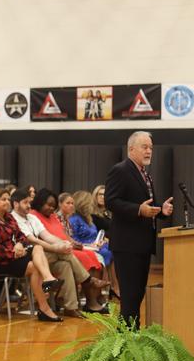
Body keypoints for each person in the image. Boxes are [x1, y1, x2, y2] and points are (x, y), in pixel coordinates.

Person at [105, 131, 173, 327]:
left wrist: (161, 211)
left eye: (151, 147)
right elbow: (111, 201)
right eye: (144, 147)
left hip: (142, 244)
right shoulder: (121, 170)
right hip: (127, 244)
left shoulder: (145, 174)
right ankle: (128, 341)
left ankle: (128, 336)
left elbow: (147, 206)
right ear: (131, 148)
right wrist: (138, 210)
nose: (149, 151)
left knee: (137, 293)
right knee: (130, 295)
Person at [10, 189, 109, 317]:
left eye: (29, 202)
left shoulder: (31, 217)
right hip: (28, 257)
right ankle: (88, 280)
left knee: (65, 266)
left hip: (44, 257)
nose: (29, 205)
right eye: (25, 202)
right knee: (64, 253)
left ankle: (71, 307)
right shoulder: (13, 218)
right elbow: (33, 240)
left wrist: (62, 243)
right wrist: (58, 248)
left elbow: (46, 236)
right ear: (16, 204)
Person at [0, 189, 64, 321]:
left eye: (8, 199)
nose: (7, 202)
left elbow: (21, 237)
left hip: (12, 258)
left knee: (38, 249)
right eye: (3, 199)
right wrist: (13, 252)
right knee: (35, 265)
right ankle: (45, 306)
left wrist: (19, 245)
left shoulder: (8, 217)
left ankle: (47, 284)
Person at [31, 189, 102, 274]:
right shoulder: (34, 215)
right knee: (85, 256)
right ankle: (88, 282)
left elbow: (64, 234)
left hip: (66, 245)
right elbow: (46, 237)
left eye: (53, 206)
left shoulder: (53, 216)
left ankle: (93, 284)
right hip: (52, 249)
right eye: (68, 203)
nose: (52, 208)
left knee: (91, 255)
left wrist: (72, 243)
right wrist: (68, 244)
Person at [70, 190, 113, 267]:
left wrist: (101, 241)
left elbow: (95, 235)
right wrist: (89, 245)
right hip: (85, 247)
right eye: (89, 203)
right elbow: (73, 239)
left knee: (114, 248)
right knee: (106, 252)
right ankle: (107, 277)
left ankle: (113, 278)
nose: (92, 205)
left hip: (96, 246)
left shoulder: (88, 218)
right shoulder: (74, 219)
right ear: (82, 204)